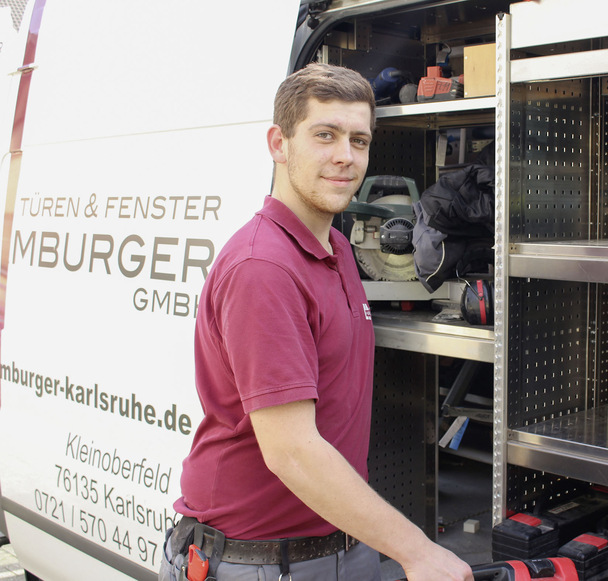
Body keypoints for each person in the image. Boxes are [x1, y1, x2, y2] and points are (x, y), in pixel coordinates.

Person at [159, 63, 474, 581]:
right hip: (258, 561)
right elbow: (292, 452)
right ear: (279, 144)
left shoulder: (338, 248)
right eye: (325, 135)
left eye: (359, 140)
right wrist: (417, 551)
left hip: (341, 544)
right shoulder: (264, 267)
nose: (345, 156)